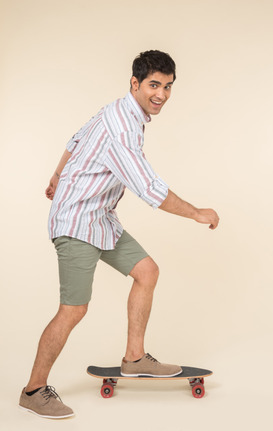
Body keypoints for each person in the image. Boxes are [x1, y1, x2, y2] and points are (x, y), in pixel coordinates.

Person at [19, 50, 219, 419]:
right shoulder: (122, 127)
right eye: (154, 85)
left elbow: (76, 138)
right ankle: (33, 390)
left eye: (168, 87)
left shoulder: (121, 111)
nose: (161, 95)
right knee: (74, 309)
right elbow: (149, 188)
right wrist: (196, 213)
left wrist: (57, 174)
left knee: (147, 271)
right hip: (77, 221)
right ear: (135, 83)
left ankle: (134, 357)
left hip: (100, 218)